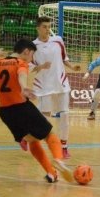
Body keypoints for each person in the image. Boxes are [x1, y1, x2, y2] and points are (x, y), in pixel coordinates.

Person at [0, 39, 73, 183]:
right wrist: (24, 87)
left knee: (32, 140)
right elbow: (21, 75)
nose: (31, 59)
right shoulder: (20, 63)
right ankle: (59, 160)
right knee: (49, 134)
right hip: (21, 107)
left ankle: (51, 173)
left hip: (5, 112)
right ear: (26, 51)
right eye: (31, 55)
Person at [28, 16, 81, 158]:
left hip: (61, 83)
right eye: (44, 27)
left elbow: (64, 58)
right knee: (45, 118)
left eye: (48, 26)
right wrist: (41, 66)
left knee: (64, 115)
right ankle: (28, 136)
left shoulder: (58, 40)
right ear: (38, 28)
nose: (47, 29)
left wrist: (72, 67)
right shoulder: (33, 46)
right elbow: (29, 66)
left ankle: (64, 146)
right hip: (45, 85)